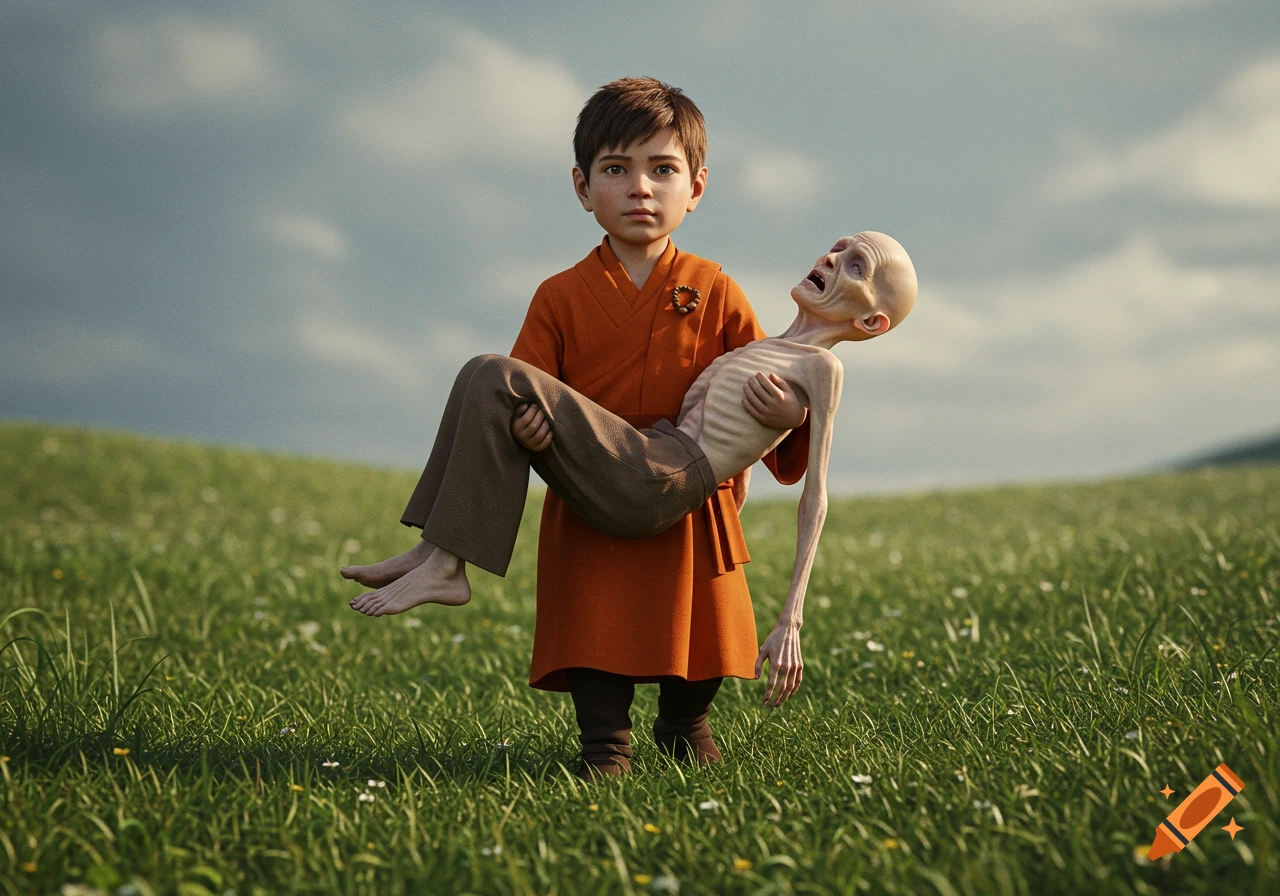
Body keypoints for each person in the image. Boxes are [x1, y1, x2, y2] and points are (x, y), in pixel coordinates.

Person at [345, 77, 823, 781]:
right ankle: (606, 746)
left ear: (696, 188)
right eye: (615, 169)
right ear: (581, 186)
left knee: (695, 632)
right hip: (598, 488)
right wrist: (536, 430)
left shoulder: (716, 290)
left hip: (686, 493)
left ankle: (684, 724)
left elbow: (776, 407)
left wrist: (789, 410)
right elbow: (515, 404)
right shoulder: (560, 295)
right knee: (599, 631)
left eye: (663, 170)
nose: (640, 188)